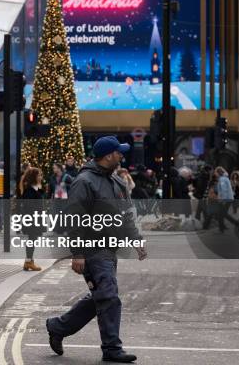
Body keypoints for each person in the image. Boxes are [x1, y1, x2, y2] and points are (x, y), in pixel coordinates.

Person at [46, 136, 146, 363]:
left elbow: (126, 216)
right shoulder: (85, 182)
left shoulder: (118, 183)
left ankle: (57, 327)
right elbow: (74, 219)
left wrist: (136, 240)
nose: (122, 156)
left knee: (100, 296)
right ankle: (112, 348)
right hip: (92, 250)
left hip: (110, 250)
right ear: (108, 155)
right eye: (119, 152)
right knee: (109, 295)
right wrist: (78, 253)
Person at [18, 167, 44, 271]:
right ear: (34, 177)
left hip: (35, 218)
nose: (41, 177)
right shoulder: (29, 190)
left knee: (33, 239)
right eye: (39, 175)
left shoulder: (35, 188)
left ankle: (29, 261)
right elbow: (29, 206)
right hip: (32, 219)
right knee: (32, 239)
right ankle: (29, 261)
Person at [203, 167, 239, 232]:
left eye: (216, 172)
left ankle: (237, 224)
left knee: (222, 213)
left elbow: (224, 190)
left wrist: (222, 200)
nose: (215, 173)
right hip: (227, 199)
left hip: (225, 199)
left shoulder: (222, 179)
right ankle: (222, 228)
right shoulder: (224, 178)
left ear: (218, 173)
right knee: (221, 213)